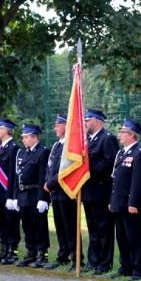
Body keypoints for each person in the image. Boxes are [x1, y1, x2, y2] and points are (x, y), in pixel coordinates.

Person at [109, 118, 141, 281]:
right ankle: (125, 266)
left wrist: (133, 202)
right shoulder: (120, 153)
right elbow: (115, 180)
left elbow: (138, 181)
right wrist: (112, 200)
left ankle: (139, 269)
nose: (119, 135)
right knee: (122, 237)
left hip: (131, 204)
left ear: (131, 135)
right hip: (119, 203)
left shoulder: (139, 154)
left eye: (122, 132)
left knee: (135, 237)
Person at [82, 108, 118, 275]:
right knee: (93, 229)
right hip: (89, 191)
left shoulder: (107, 139)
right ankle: (93, 260)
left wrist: (89, 169)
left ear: (97, 121)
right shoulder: (88, 140)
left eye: (88, 120)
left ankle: (105, 262)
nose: (85, 123)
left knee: (104, 229)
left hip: (102, 190)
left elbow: (110, 162)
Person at [9, 123, 50, 268]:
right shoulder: (21, 152)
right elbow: (17, 175)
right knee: (27, 225)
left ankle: (42, 254)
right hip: (23, 194)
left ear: (34, 137)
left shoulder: (42, 152)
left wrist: (42, 198)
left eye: (26, 137)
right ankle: (30, 251)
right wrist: (14, 196)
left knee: (38, 225)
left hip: (35, 193)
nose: (24, 140)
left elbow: (42, 177)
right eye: (23, 137)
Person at [44, 114, 81, 270]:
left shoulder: (70, 146)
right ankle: (63, 255)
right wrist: (47, 182)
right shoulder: (56, 145)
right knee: (59, 226)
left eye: (58, 125)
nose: (55, 128)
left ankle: (76, 257)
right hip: (55, 192)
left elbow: (66, 168)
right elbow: (50, 166)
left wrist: (51, 182)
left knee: (70, 226)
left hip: (66, 191)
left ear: (67, 126)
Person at [0, 119, 21, 264]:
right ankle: (3, 248)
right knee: (0, 221)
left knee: (11, 222)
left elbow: (13, 173)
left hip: (7, 191)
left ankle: (12, 251)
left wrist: (11, 196)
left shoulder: (13, 148)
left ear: (6, 130)